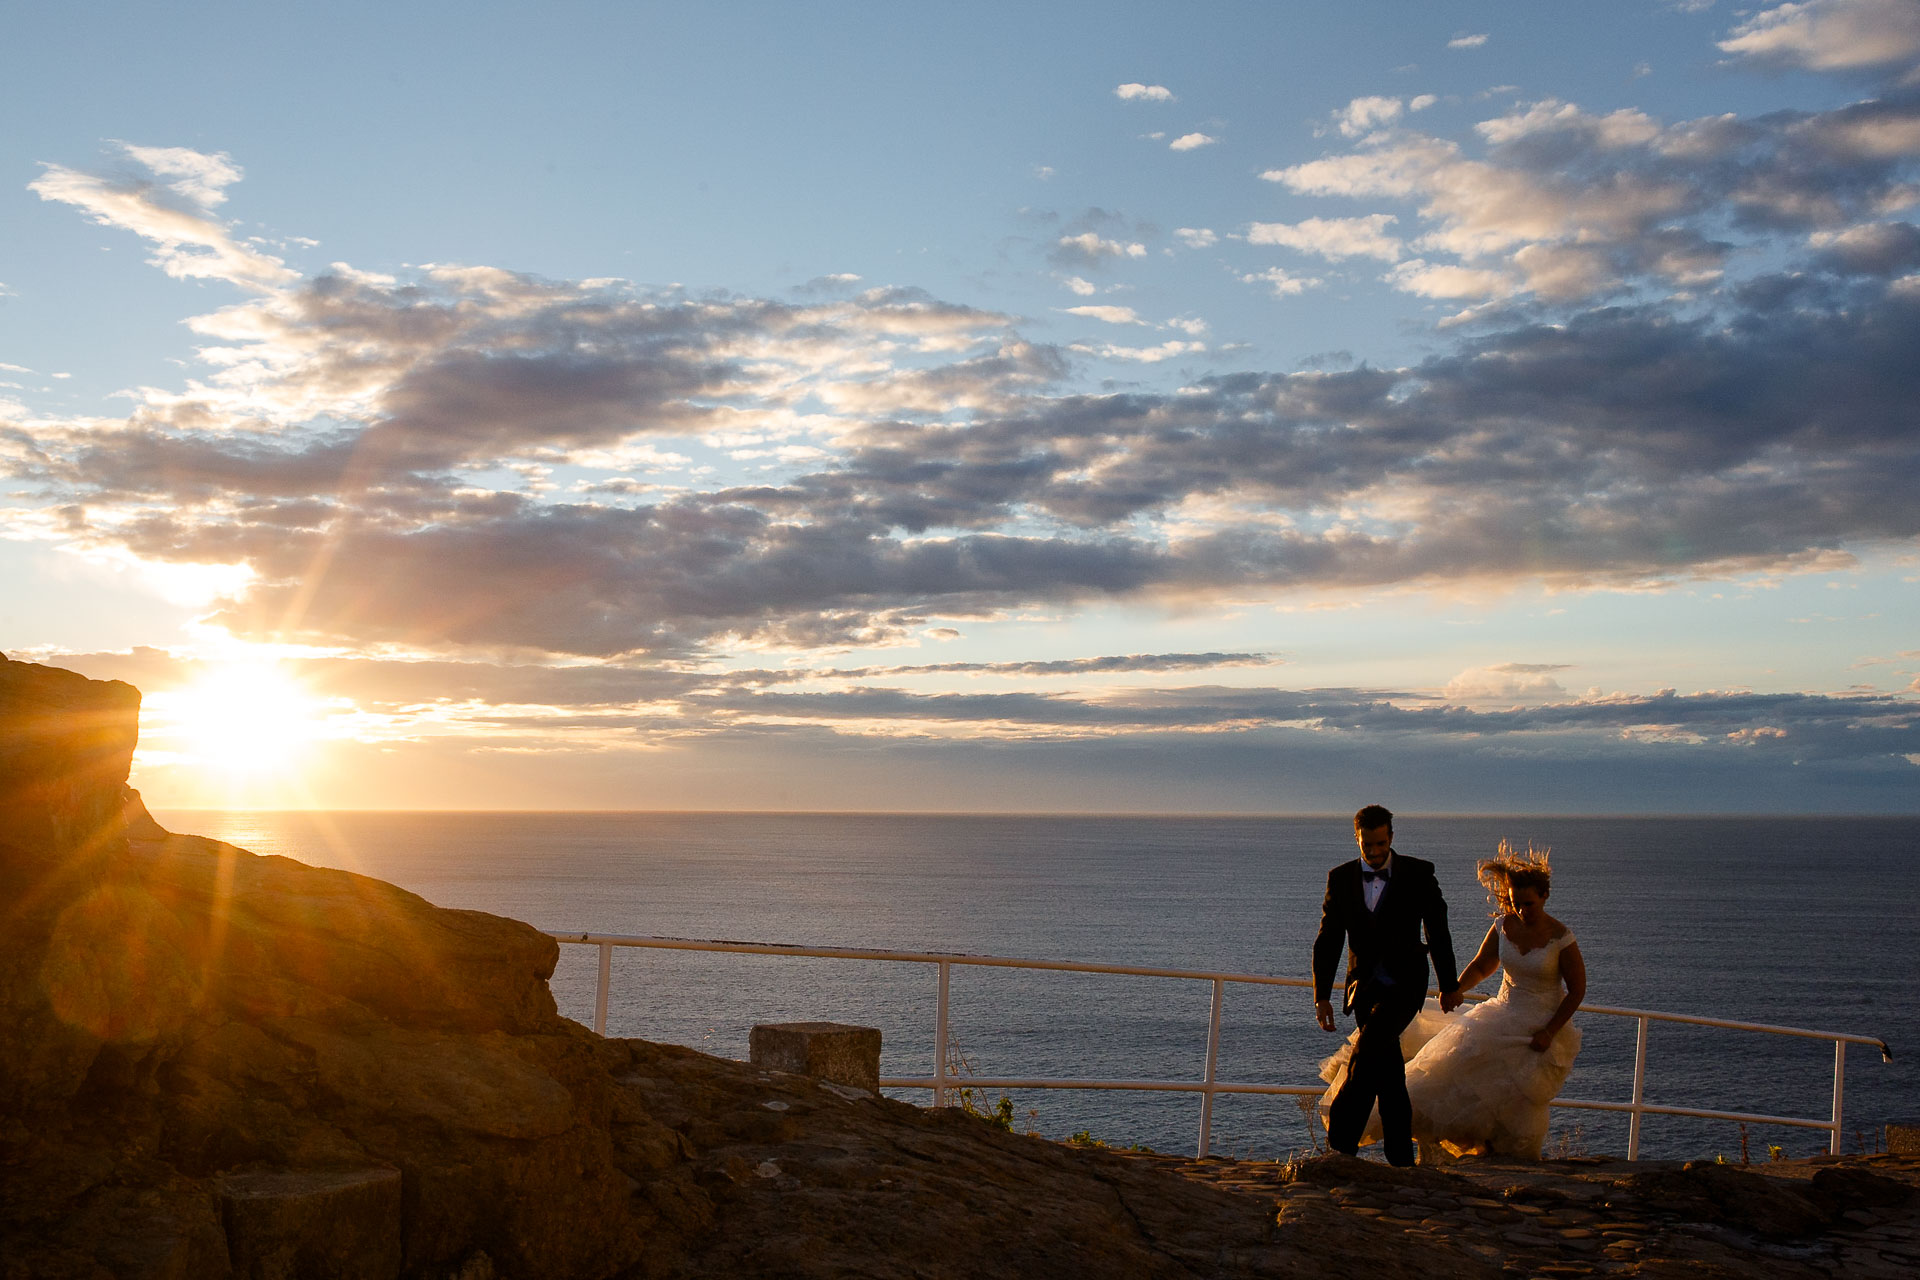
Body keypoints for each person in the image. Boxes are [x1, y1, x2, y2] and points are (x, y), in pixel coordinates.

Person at [1319, 843, 1587, 1160]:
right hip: (1501, 1017)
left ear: (1544, 896)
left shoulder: (1561, 937)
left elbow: (1577, 990)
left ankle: (1516, 1157)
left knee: (1522, 1096)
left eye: (1528, 904)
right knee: (1457, 1083)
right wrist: (1454, 989)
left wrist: (1550, 1031)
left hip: (1541, 1026)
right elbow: (1483, 965)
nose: (1521, 911)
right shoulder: (1504, 925)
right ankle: (1473, 1152)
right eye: (1515, 904)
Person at [1311, 804, 1461, 1166]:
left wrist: (1448, 983)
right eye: (1368, 845)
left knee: (1371, 1046)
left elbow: (1437, 930)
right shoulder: (1340, 878)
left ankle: (1340, 1146)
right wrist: (1322, 996)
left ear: (1391, 837)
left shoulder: (1419, 873)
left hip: (1406, 983)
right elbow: (1328, 940)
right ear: (1357, 839)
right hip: (1362, 988)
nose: (1375, 852)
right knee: (1388, 1072)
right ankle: (1401, 1160)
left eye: (1381, 843)